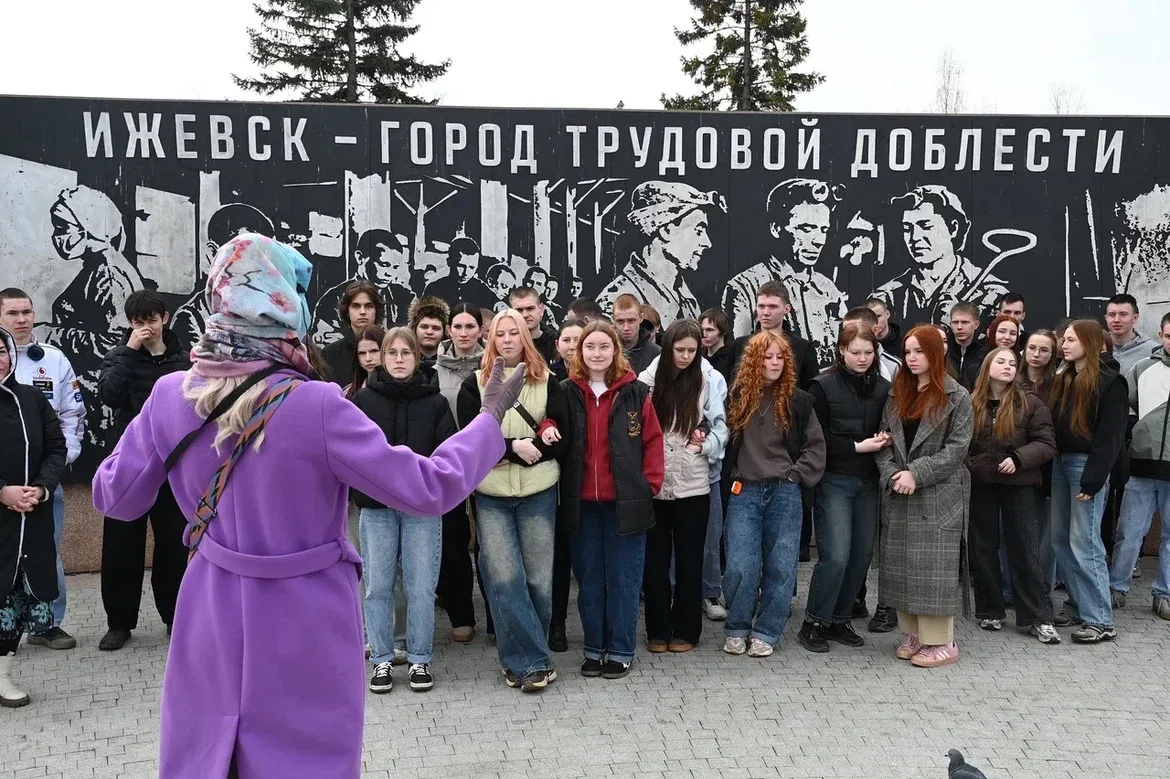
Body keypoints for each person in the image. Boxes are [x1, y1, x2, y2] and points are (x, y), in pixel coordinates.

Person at [91, 233, 526, 778]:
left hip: (210, 601)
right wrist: (488, 421)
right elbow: (429, 488)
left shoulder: (170, 395)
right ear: (284, 306)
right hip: (305, 611)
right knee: (303, 760)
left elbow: (116, 498)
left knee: (207, 754)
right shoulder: (318, 404)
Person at [457, 309, 568, 692]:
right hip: (492, 496)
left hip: (538, 491)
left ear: (525, 337)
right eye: (500, 334)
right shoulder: (474, 385)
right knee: (504, 579)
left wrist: (523, 448)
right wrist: (513, 447)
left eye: (514, 333)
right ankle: (529, 663)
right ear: (491, 340)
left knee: (538, 581)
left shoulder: (549, 381)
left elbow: (559, 439)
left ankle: (525, 657)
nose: (507, 340)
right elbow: (471, 442)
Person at [353, 327, 455, 693]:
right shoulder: (363, 400)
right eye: (392, 353)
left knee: (421, 587)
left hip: (421, 508)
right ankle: (381, 658)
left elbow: (446, 454)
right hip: (377, 507)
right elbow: (353, 453)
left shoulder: (436, 403)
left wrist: (427, 488)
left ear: (417, 357)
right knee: (377, 586)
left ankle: (419, 659)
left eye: (406, 353)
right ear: (381, 357)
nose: (399, 360)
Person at [561, 320, 664, 678]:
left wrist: (649, 485)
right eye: (590, 347)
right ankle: (594, 649)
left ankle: (620, 650)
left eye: (604, 346)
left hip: (626, 504)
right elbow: (551, 424)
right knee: (590, 582)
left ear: (615, 351)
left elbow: (652, 440)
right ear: (580, 352)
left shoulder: (635, 392)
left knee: (624, 580)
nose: (597, 353)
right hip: (582, 505)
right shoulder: (567, 391)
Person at [95, 290, 192, 651]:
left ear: (165, 318)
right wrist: (129, 351)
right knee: (121, 545)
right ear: (130, 323)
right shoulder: (119, 355)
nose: (146, 327)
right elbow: (108, 395)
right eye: (138, 322)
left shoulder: (185, 359)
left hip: (173, 466)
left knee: (174, 545)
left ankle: (175, 616)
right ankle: (119, 623)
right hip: (130, 465)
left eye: (151, 320)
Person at [721, 331, 826, 658]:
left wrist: (795, 476)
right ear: (754, 360)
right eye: (768, 357)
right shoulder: (736, 397)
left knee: (781, 566)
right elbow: (721, 438)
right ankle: (737, 626)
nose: (775, 363)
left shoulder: (798, 401)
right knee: (740, 564)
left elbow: (815, 447)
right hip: (744, 490)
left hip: (784, 492)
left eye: (780, 357)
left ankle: (767, 631)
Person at [876, 325, 974, 668]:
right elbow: (883, 441)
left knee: (933, 568)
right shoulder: (897, 393)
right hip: (899, 492)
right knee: (902, 565)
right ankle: (912, 635)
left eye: (919, 351)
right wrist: (892, 475)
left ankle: (942, 642)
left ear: (935, 353)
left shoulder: (957, 396)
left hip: (938, 495)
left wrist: (916, 474)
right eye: (908, 352)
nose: (912, 358)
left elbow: (957, 449)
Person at [0, 289, 85, 651]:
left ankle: (47, 624)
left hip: (43, 483)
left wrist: (53, 473)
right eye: (12, 313)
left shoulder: (53, 359)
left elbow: (71, 416)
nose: (22, 319)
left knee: (45, 551)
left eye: (27, 311)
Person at [637, 320, 728, 653]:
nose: (686, 356)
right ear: (667, 347)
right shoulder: (645, 382)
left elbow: (721, 429)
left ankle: (687, 630)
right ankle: (657, 630)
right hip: (654, 484)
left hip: (694, 484)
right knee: (655, 562)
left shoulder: (707, 380)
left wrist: (702, 447)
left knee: (691, 560)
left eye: (692, 350)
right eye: (680, 350)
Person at [799, 322, 891, 653]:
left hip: (869, 481)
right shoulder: (822, 386)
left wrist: (885, 438)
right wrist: (856, 447)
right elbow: (814, 438)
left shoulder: (884, 388)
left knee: (861, 555)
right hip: (834, 479)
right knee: (836, 555)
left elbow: (890, 428)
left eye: (868, 352)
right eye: (855, 352)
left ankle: (839, 619)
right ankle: (814, 622)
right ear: (841, 351)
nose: (862, 358)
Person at [966, 347, 1061, 643]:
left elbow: (1047, 443)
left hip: (1019, 484)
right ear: (987, 366)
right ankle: (990, 610)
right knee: (983, 547)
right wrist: (978, 465)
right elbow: (959, 444)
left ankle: (1038, 617)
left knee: (1024, 548)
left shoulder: (1030, 403)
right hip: (982, 484)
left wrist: (1019, 459)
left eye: (1012, 362)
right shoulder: (970, 402)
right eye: (1001, 361)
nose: (1008, 366)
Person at [1048, 320, 1128, 643]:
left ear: (1089, 343)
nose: (1064, 345)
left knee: (1085, 543)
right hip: (1060, 463)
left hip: (1086, 467)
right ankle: (1079, 605)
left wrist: (1092, 480)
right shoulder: (1065, 377)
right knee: (1060, 540)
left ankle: (1100, 620)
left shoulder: (1111, 381)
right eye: (1064, 339)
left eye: (1071, 340)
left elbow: (1111, 437)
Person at [0, 328, 68, 707]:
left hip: (31, 516)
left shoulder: (31, 398)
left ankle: (3, 677)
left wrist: (40, 488)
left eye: (1, 351)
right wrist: (2, 491)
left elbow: (56, 447)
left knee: (13, 601)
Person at [722, 178, 847, 364]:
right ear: (776, 228)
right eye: (806, 229)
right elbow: (741, 358)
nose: (819, 240)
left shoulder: (828, 289)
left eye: (824, 230)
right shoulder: (744, 287)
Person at [1110, 312, 1170, 620]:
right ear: (1160, 335)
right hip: (1142, 466)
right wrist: (1133, 437)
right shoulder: (1143, 368)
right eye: (1169, 335)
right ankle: (1116, 589)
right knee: (1129, 532)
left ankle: (1164, 594)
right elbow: (1123, 409)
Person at [875, 185, 1008, 324]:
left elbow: (1009, 334)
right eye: (907, 229)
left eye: (926, 226)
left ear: (953, 228)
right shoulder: (888, 295)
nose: (915, 237)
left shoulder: (990, 293)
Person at [433, 303, 487, 643]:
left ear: (480, 330)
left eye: (470, 326)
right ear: (448, 329)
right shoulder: (432, 370)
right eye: (458, 326)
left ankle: (496, 618)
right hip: (448, 465)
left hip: (486, 463)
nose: (464, 333)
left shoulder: (493, 364)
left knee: (488, 544)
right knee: (453, 542)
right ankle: (462, 616)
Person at [597, 181, 724, 323]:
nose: (707, 243)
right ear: (666, 230)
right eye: (698, 231)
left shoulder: (685, 297)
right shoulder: (614, 302)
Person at [173, 203, 275, 349]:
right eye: (243, 252)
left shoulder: (270, 308)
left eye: (264, 254)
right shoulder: (191, 317)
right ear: (213, 253)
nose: (257, 264)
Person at [548, 318, 584, 652]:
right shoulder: (550, 382)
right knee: (558, 562)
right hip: (557, 484)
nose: (572, 346)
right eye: (567, 340)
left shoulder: (597, 382)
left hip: (589, 484)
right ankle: (556, 624)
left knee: (586, 563)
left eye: (578, 340)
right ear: (557, 344)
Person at [320, 281, 385, 389]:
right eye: (356, 306)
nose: (362, 312)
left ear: (376, 310)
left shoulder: (390, 347)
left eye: (368, 306)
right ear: (347, 311)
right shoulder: (330, 354)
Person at [425, 237, 497, 307]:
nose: (466, 273)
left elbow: (497, 303)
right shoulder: (434, 289)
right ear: (449, 262)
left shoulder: (481, 289)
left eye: (472, 267)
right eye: (461, 266)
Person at [962, 314, 1021, 389]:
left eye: (1013, 333)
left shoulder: (1021, 364)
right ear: (992, 333)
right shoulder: (975, 362)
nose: (1007, 337)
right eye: (1002, 331)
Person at [1105, 294, 1154, 376]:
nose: (1116, 320)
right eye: (1112, 314)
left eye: (1123, 314)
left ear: (1135, 318)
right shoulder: (1096, 347)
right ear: (1106, 318)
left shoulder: (1151, 351)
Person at [612, 293, 661, 373]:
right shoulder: (604, 352)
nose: (626, 328)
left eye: (631, 320)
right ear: (613, 320)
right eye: (620, 321)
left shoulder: (656, 354)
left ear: (641, 318)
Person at [509, 286, 558, 364]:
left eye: (530, 308)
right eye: (519, 310)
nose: (525, 315)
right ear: (511, 313)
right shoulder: (506, 343)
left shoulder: (556, 342)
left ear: (541, 309)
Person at [344, 325, 386, 400]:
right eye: (362, 353)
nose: (368, 359)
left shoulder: (399, 390)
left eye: (374, 351)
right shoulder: (348, 394)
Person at [947, 302, 986, 378]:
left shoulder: (984, 354)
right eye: (955, 322)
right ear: (950, 324)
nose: (959, 327)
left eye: (965, 322)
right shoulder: (942, 351)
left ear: (976, 324)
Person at [409, 296, 449, 366]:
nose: (429, 332)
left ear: (445, 332)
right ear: (414, 329)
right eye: (424, 327)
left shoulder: (454, 361)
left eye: (436, 328)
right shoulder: (402, 360)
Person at [700, 308, 734, 387]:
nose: (704, 334)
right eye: (702, 330)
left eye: (709, 330)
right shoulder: (698, 357)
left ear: (723, 331)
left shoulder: (731, 358)